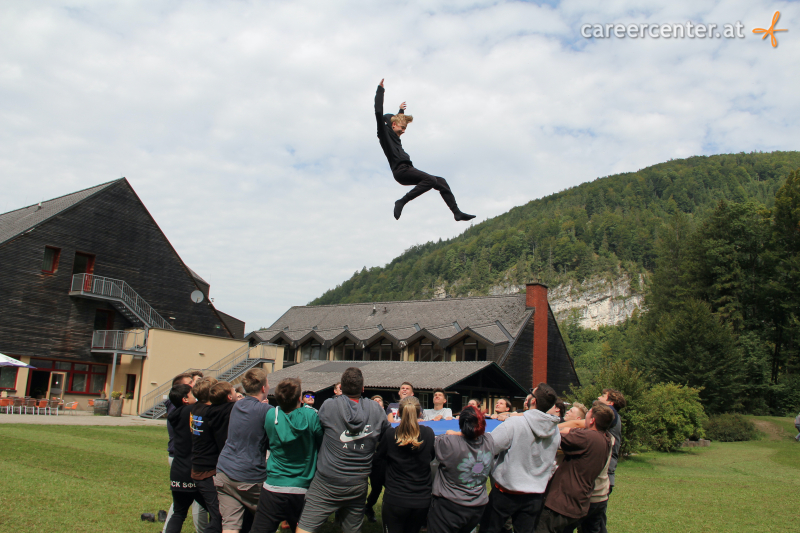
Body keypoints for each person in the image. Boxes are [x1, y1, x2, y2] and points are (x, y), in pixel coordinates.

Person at [296, 367, 390, 533]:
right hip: (357, 482)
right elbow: (387, 435)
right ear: (362, 388)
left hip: (327, 481)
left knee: (305, 528)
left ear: (342, 388)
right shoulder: (376, 409)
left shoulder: (329, 406)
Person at [374, 79, 475, 222]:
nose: (404, 131)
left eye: (405, 128)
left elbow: (397, 121)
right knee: (431, 180)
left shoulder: (394, 134)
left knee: (441, 181)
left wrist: (401, 111)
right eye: (402, 128)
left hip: (408, 169)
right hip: (400, 171)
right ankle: (402, 201)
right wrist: (380, 90)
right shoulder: (383, 134)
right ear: (394, 124)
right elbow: (378, 112)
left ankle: (456, 212)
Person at [480, 383, 559, 533]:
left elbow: (490, 446)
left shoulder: (515, 423)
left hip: (506, 492)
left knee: (488, 529)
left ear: (533, 401)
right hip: (535, 494)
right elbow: (552, 459)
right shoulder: (555, 431)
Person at [251, 378, 323, 533]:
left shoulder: (271, 415)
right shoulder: (310, 416)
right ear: (299, 398)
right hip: (302, 488)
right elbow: (320, 440)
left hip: (273, 486)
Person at [534, 404, 614, 533]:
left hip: (562, 504)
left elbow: (553, 437)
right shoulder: (605, 439)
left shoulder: (588, 437)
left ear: (592, 420)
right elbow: (573, 431)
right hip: (579, 503)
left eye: (587, 415)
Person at [215, 368, 273, 533]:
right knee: (269, 517)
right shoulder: (266, 411)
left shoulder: (237, 405)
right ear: (263, 388)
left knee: (230, 525)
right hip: (249, 477)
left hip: (224, 472)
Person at [427, 406, 494, 533]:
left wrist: (454, 433)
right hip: (477, 506)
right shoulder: (489, 441)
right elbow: (482, 434)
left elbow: (437, 441)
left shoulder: (448, 442)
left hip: (449, 506)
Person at [377, 396, 436, 533]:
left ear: (398, 414)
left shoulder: (391, 434)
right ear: (420, 414)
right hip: (421, 500)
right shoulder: (428, 433)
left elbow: (379, 460)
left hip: (395, 497)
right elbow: (431, 456)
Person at [164, 373, 209, 533]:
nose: (195, 397)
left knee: (178, 513)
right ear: (184, 399)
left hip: (178, 471)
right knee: (218, 512)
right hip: (194, 471)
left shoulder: (174, 415)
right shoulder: (194, 411)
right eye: (192, 394)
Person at [191, 379, 236, 533]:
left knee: (216, 514)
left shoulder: (196, 409)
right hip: (208, 471)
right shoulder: (210, 413)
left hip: (198, 468)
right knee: (220, 517)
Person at [568, 403, 616, 533]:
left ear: (593, 420)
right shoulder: (609, 438)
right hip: (601, 496)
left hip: (588, 496)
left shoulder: (589, 438)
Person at [365, 395, 387, 522]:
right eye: (375, 401)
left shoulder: (388, 419)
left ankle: (368, 507)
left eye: (380, 400)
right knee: (376, 487)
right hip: (369, 456)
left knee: (381, 487)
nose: (377, 402)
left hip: (383, 457)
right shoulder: (367, 418)